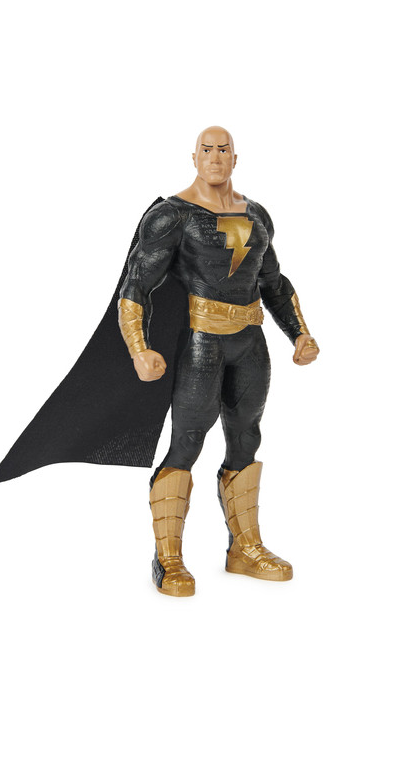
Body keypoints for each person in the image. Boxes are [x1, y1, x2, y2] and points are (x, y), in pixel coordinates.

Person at [117, 126, 319, 596]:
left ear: (235, 158)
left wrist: (301, 333)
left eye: (222, 150)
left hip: (250, 342)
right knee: (187, 441)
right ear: (194, 157)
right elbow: (135, 285)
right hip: (201, 342)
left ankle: (244, 548)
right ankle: (168, 558)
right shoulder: (172, 216)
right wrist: (138, 349)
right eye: (206, 150)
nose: (214, 157)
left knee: (247, 436)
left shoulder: (256, 214)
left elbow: (273, 282)